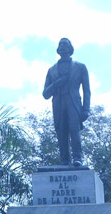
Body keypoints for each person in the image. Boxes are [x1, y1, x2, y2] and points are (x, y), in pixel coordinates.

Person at [43, 37, 91, 167]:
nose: (62, 46)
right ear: (58, 49)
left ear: (70, 48)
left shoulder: (80, 67)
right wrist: (56, 84)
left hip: (73, 102)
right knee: (61, 131)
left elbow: (86, 90)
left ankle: (77, 157)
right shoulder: (51, 70)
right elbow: (45, 94)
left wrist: (86, 109)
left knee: (74, 130)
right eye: (60, 44)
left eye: (65, 44)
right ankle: (64, 160)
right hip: (58, 103)